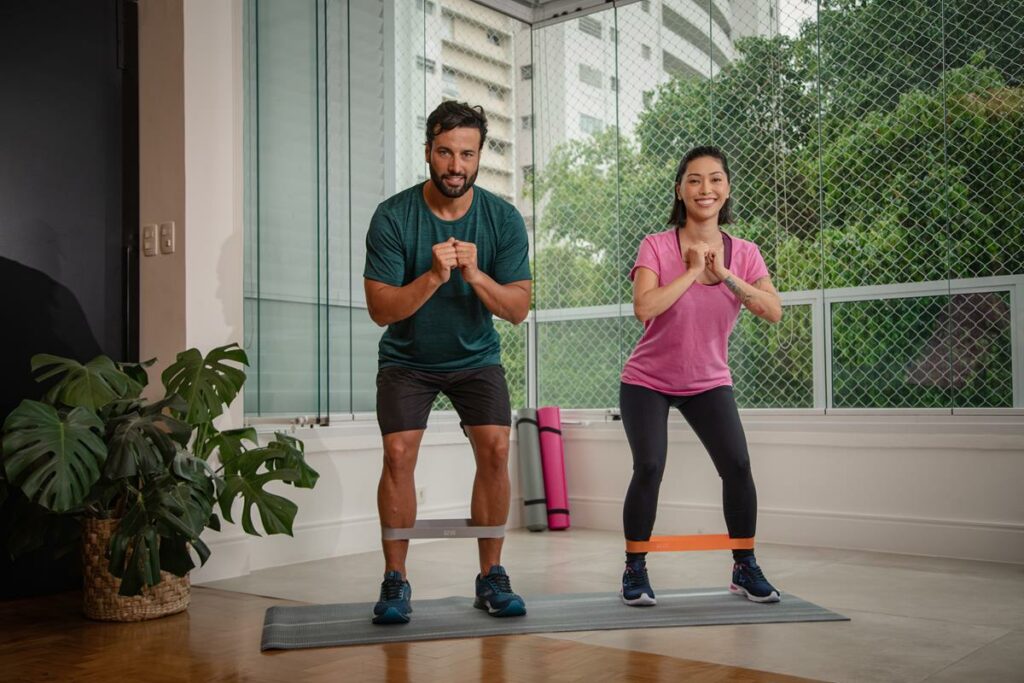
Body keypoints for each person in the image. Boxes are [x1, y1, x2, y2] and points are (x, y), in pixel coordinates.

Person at [363, 101, 532, 625]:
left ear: (479, 157)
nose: (455, 165)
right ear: (428, 152)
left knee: (497, 449)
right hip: (407, 359)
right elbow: (379, 310)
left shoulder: (502, 218)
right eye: (445, 152)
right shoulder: (394, 216)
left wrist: (475, 276)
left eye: (466, 153)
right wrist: (434, 276)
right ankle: (396, 580)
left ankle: (491, 577)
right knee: (397, 454)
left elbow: (518, 310)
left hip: (475, 358)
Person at [618, 146, 783, 606]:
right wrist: (693, 272)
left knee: (738, 466)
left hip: (708, 381)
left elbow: (772, 311)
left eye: (714, 179)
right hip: (646, 380)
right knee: (649, 466)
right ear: (680, 190)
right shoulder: (655, 245)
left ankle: (744, 565)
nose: (704, 189)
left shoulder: (745, 254)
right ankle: (634, 568)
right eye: (694, 180)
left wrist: (725, 274)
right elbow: (644, 308)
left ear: (726, 188)